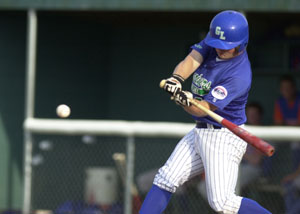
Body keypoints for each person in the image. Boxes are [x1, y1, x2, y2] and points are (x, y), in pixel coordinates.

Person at [139, 10, 271, 214]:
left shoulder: (239, 75)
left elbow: (204, 110)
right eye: (217, 44)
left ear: (241, 45)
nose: (219, 49)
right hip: (201, 131)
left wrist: (182, 100)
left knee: (222, 202)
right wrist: (176, 80)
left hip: (223, 137)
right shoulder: (214, 44)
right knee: (166, 178)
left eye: (225, 47)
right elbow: (192, 60)